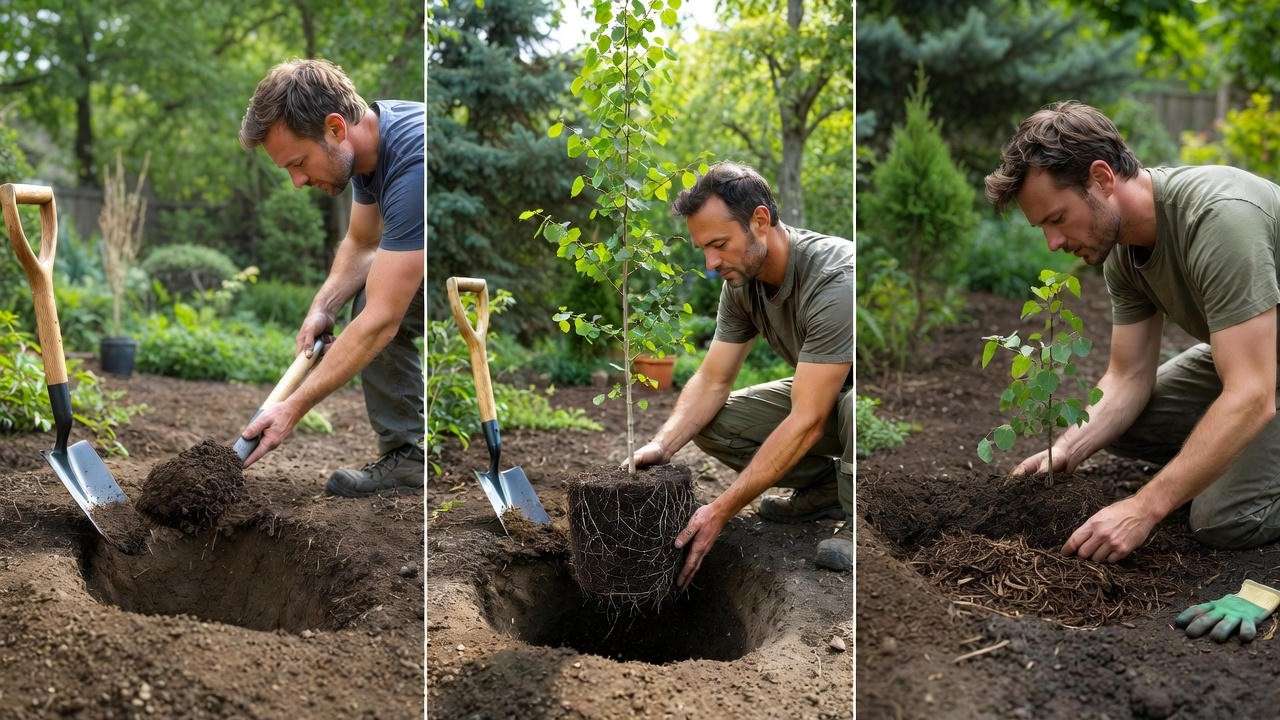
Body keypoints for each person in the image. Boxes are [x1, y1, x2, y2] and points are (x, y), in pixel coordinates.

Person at [984, 101, 1280, 567]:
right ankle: (1232, 451)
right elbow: (1127, 376)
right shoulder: (1125, 251)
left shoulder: (1220, 220)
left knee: (1222, 519)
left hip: (1260, 375)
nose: (1054, 244)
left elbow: (1252, 392)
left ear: (1101, 179)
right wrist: (1065, 449)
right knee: (1123, 425)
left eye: (1057, 219)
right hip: (1262, 359)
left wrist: (1143, 507)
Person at [627, 162, 853, 585]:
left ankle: (858, 515)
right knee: (711, 423)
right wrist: (663, 444)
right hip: (824, 399)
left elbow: (808, 419)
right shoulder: (741, 284)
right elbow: (713, 380)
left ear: (760, 221)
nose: (712, 264)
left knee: (855, 405)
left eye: (720, 244)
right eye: (704, 250)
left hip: (855, 404)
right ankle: (826, 492)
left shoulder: (836, 281)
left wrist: (720, 510)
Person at [236, 58, 425, 497]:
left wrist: (291, 408)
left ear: (336, 129)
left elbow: (380, 319)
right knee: (366, 296)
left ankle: (408, 456)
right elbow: (361, 243)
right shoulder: (367, 152)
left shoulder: (414, 161)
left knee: (374, 310)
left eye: (298, 163)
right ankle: (407, 457)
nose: (297, 181)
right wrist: (323, 307)